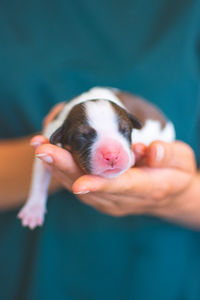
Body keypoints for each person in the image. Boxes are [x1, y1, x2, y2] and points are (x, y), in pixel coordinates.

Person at [0, 1, 199, 299]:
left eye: (123, 134)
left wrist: (182, 197)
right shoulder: (55, 129)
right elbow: (43, 158)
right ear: (61, 138)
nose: (111, 153)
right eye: (83, 138)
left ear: (132, 127)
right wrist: (37, 196)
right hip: (31, 272)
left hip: (164, 268)